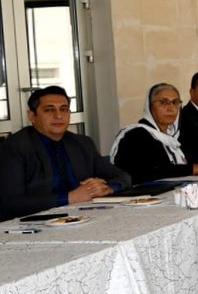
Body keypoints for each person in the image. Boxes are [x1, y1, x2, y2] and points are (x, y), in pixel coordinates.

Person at [0, 86, 131, 220]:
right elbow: (11, 202)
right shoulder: (14, 148)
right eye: (49, 110)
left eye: (64, 109)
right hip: (30, 225)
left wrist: (107, 188)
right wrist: (70, 197)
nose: (58, 116)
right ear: (32, 116)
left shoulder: (82, 143)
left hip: (81, 217)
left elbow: (122, 176)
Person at [112, 83, 198, 184]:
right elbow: (150, 172)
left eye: (175, 102)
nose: (171, 108)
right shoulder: (136, 136)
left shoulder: (174, 136)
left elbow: (188, 162)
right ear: (150, 106)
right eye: (164, 102)